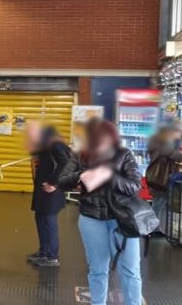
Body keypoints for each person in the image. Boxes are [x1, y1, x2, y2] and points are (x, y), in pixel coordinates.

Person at [58, 119, 142, 305]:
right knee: (97, 269)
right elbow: (62, 181)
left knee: (130, 269)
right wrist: (81, 176)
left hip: (123, 219)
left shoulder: (123, 154)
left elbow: (135, 185)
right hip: (91, 218)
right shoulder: (80, 155)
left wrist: (110, 176)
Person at [26, 122, 70, 267]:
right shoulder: (45, 145)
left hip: (51, 190)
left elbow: (66, 163)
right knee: (40, 218)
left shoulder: (56, 144)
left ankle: (52, 256)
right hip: (42, 189)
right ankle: (44, 252)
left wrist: (53, 182)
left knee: (48, 221)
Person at [147, 125, 182, 234]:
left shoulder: (157, 142)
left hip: (158, 180)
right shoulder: (163, 144)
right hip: (162, 180)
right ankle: (153, 229)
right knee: (160, 204)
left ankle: (157, 229)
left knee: (161, 204)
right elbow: (176, 156)